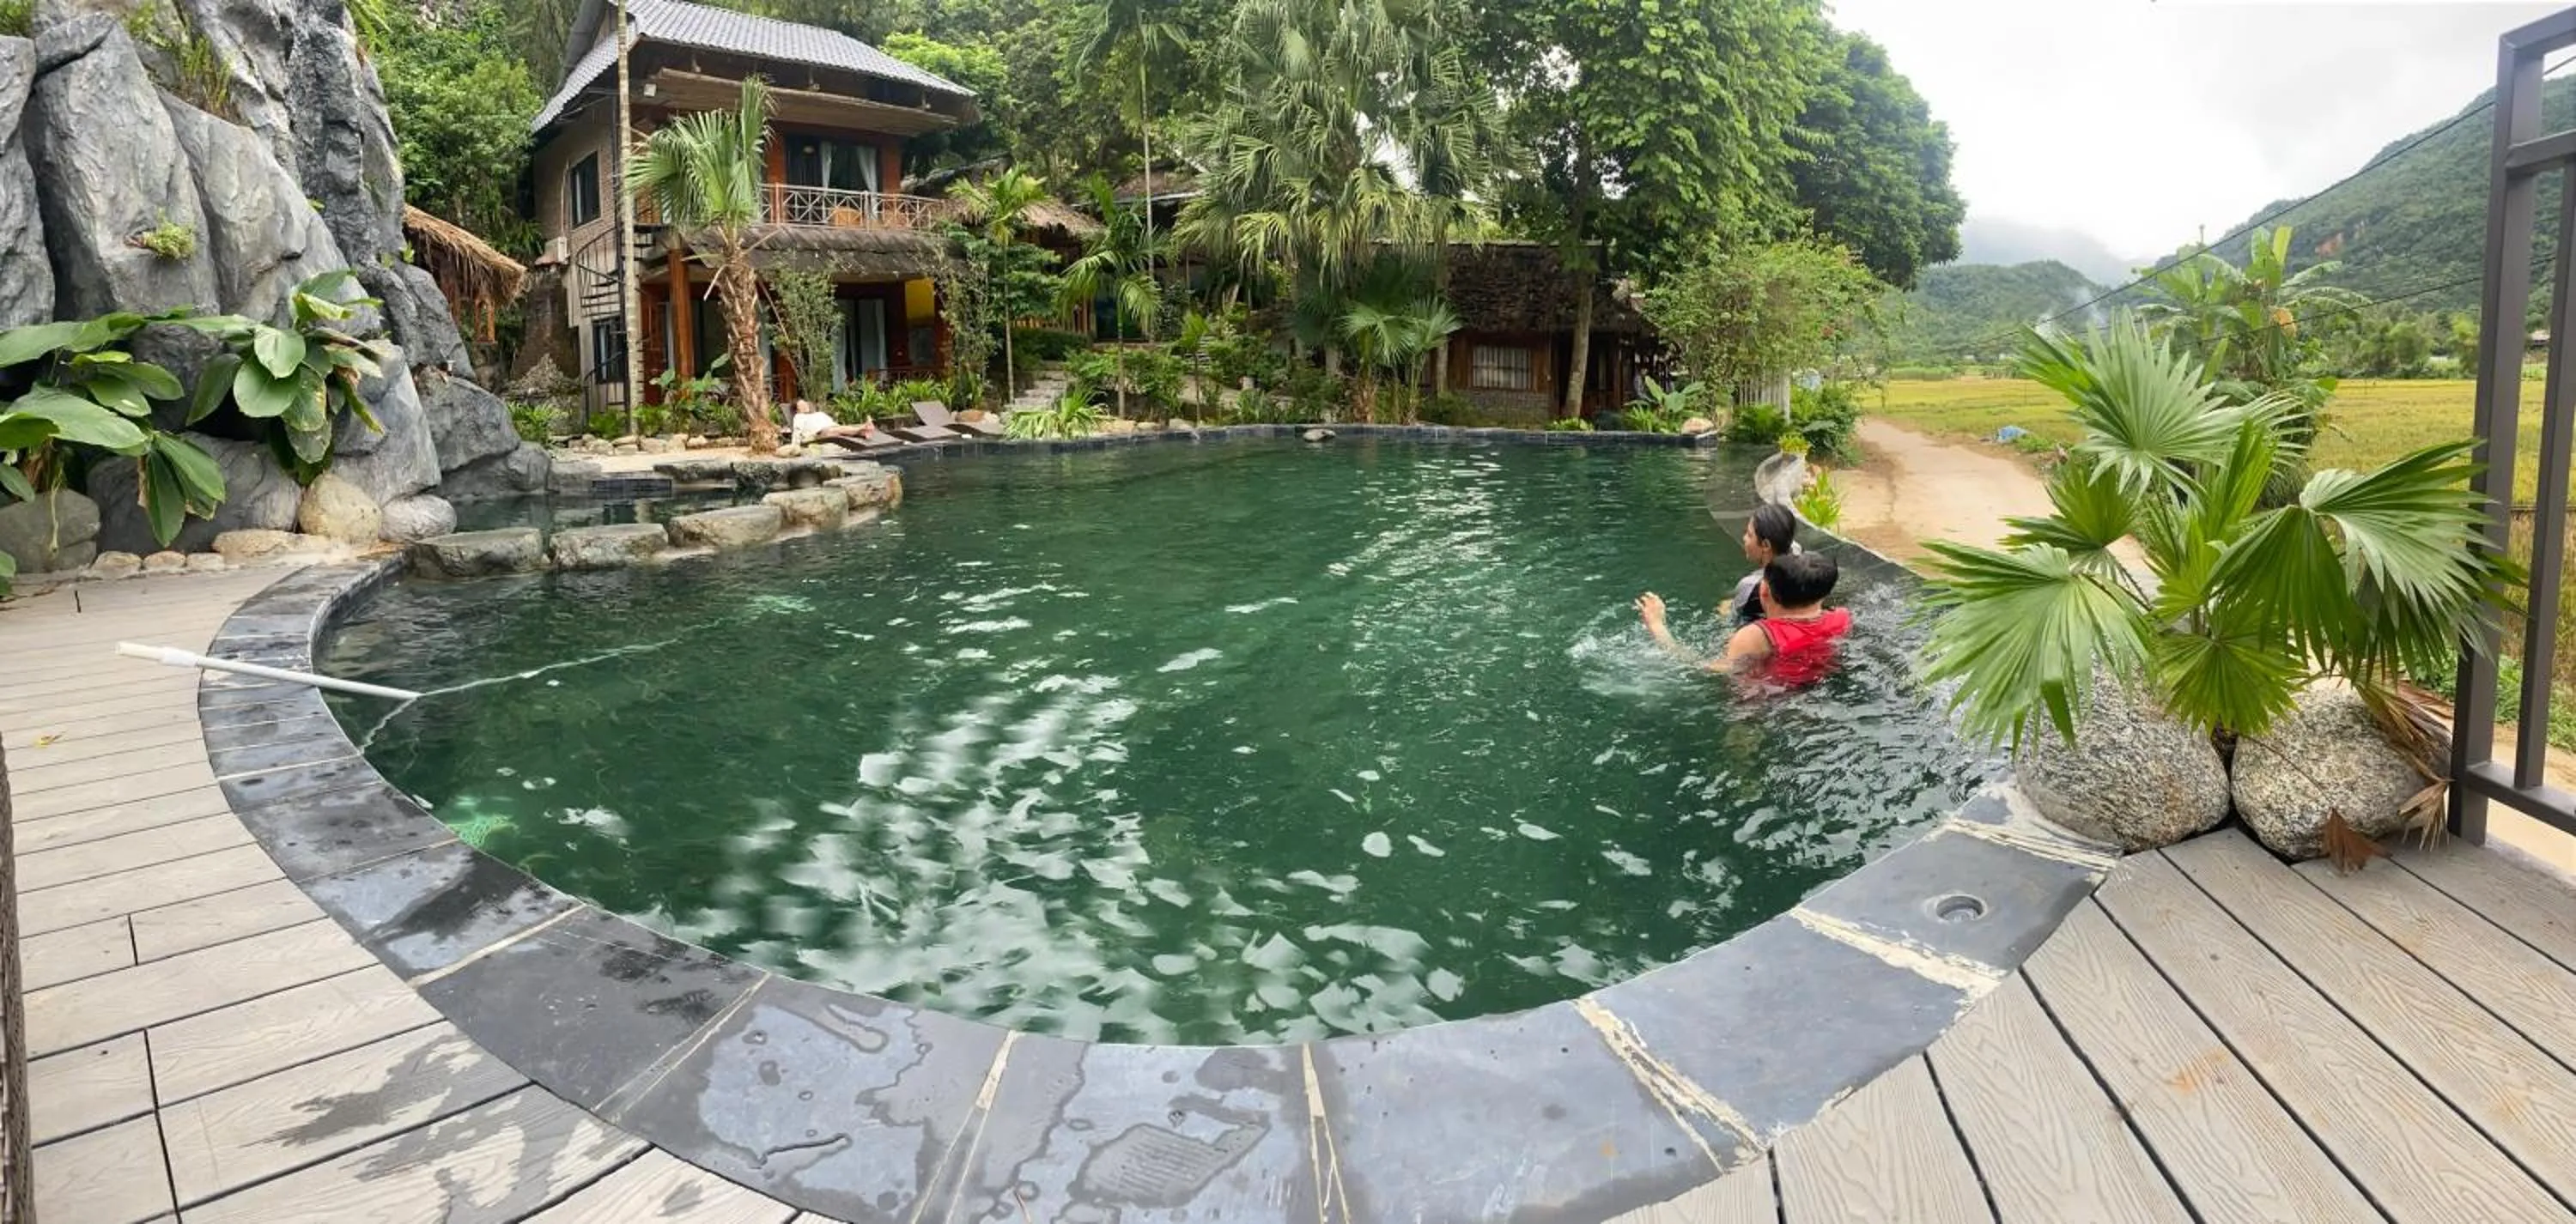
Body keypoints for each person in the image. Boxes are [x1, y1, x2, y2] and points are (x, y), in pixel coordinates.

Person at [1637, 551, 1850, 686]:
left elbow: (1703, 670)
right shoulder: (1842, 619)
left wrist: (1657, 626)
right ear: (1824, 593)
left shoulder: (1755, 636)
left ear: (1763, 590)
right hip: (1814, 691)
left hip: (1762, 706)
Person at [1729, 505, 1800, 623]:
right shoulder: (1801, 561)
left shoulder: (1750, 586)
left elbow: (1731, 622)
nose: (1744, 538)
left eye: (1749, 535)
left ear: (1766, 545)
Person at [787, 399, 884, 446]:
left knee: (840, 429)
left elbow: (832, 422)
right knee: (838, 430)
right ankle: (863, 428)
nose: (805, 405)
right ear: (797, 410)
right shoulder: (799, 417)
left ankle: (862, 431)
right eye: (802, 405)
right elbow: (797, 430)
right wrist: (795, 445)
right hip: (817, 435)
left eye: (805, 403)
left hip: (830, 429)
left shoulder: (818, 414)